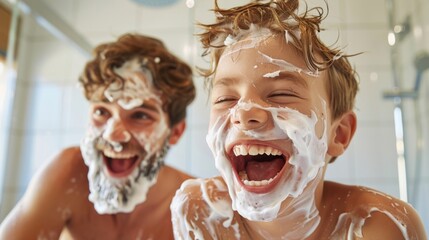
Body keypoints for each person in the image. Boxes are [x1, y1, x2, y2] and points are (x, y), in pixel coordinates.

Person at [170, 0, 427, 239]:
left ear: (338, 135)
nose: (243, 113)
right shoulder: (199, 213)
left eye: (281, 94)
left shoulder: (377, 225)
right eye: (225, 99)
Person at [0, 33, 196, 239]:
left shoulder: (191, 205)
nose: (112, 135)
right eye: (102, 112)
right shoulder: (68, 175)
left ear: (175, 132)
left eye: (140, 115)